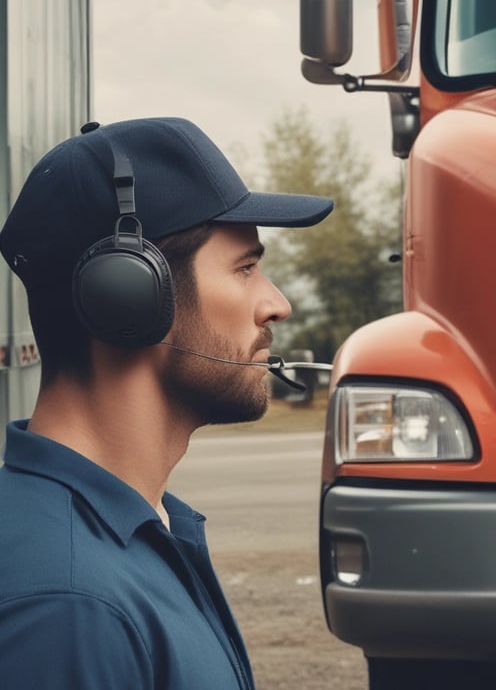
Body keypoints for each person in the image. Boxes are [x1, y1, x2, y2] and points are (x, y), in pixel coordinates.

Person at [0, 117, 333, 689]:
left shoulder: (136, 527)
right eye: (246, 268)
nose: (276, 304)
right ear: (128, 300)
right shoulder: (70, 607)